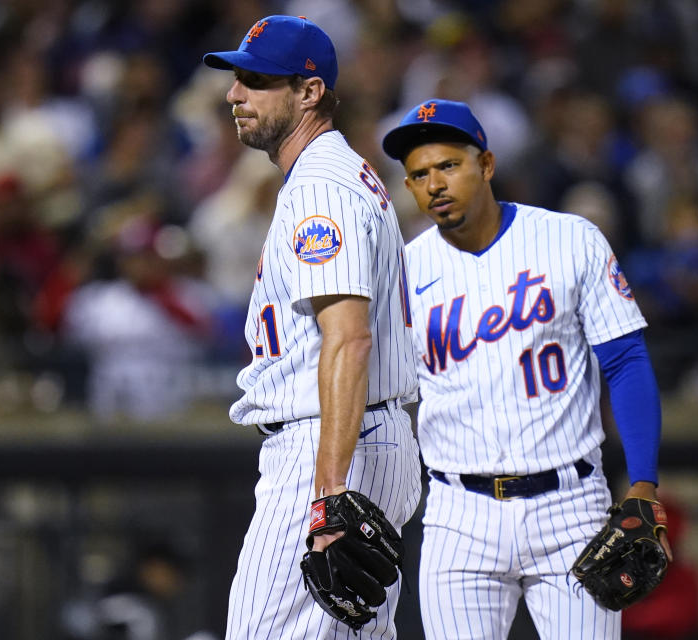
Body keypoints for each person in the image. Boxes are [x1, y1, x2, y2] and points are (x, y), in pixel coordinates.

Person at [381, 99, 672, 639]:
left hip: (570, 506)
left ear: (486, 165)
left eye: (449, 165)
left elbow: (626, 360)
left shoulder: (569, 239)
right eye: (419, 175)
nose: (434, 184)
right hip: (457, 513)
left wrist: (644, 484)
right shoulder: (403, 270)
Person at [200, 16, 422, 640]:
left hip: (328, 446)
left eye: (255, 80)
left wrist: (327, 495)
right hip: (362, 436)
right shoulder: (333, 175)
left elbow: (348, 337)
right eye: (236, 78)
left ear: (309, 91)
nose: (233, 94)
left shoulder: (322, 187)